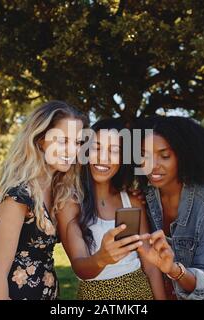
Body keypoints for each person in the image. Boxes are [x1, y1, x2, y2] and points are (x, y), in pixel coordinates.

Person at [0, 101, 87, 300]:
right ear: (40, 140)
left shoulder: (60, 192)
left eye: (78, 142)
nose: (72, 150)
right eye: (63, 141)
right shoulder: (19, 195)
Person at [135, 116, 204, 300]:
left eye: (164, 156)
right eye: (145, 155)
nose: (152, 165)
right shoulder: (144, 192)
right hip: (171, 283)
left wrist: (173, 270)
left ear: (184, 156)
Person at [57, 118, 166, 300]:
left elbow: (150, 265)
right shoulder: (70, 204)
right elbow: (79, 268)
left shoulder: (132, 201)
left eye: (114, 151)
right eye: (96, 148)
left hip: (141, 293)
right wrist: (102, 257)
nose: (103, 158)